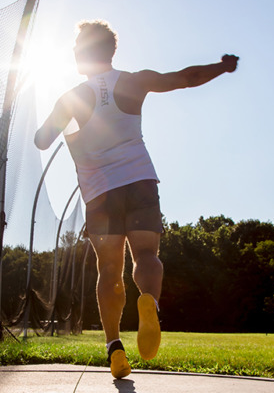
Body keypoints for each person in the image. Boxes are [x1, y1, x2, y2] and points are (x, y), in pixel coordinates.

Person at [34, 20, 238, 379]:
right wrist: (222, 66)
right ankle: (150, 302)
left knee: (108, 270)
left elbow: (41, 139)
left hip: (99, 192)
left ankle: (115, 348)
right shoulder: (133, 80)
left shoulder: (70, 98)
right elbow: (186, 77)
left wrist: (58, 123)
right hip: (140, 180)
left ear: (82, 53)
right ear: (111, 52)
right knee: (146, 256)